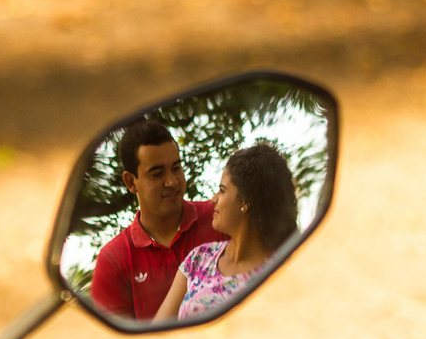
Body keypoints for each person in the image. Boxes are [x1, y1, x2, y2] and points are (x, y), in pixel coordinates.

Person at [89, 120, 226, 320]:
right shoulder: (114, 261)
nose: (171, 181)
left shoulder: (219, 218)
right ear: (130, 182)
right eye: (157, 174)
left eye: (176, 168)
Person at [154, 142, 298, 322]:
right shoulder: (199, 258)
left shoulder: (281, 272)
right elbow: (157, 329)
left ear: (246, 201)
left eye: (222, 190)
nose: (213, 199)